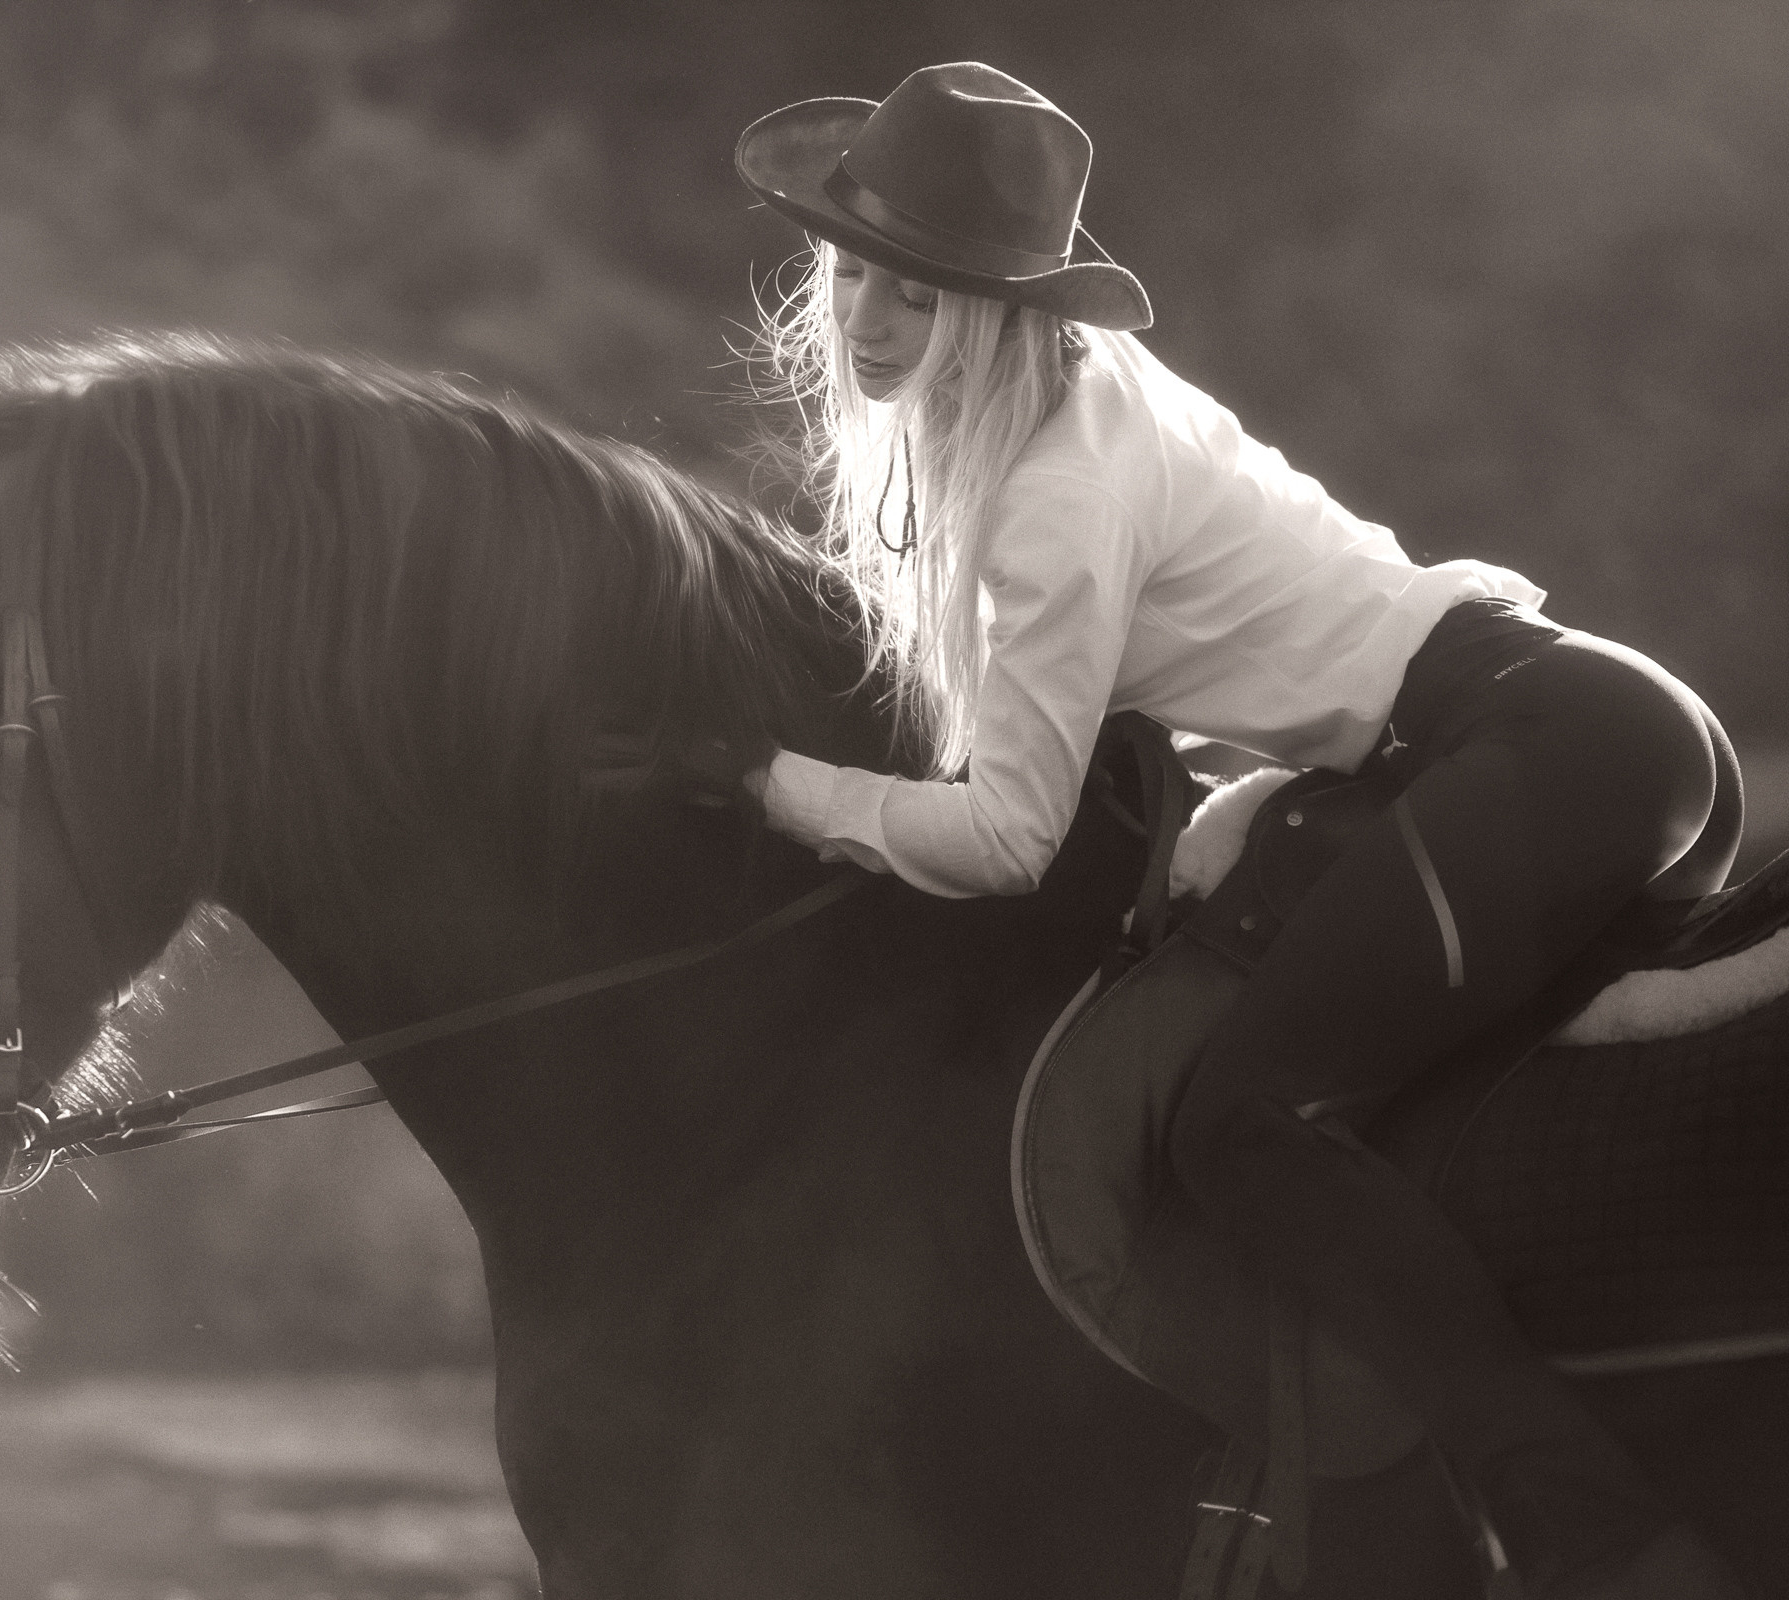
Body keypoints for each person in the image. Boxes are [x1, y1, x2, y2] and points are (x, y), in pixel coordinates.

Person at [732, 61, 1746, 1599]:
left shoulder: (1052, 499)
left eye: (918, 297)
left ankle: (1592, 1542)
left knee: (1245, 1122)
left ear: (1002, 313)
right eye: (855, 273)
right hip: (1551, 730)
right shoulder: (1088, 397)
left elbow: (1008, 837)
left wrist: (781, 791)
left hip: (1555, 745)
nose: (868, 323)